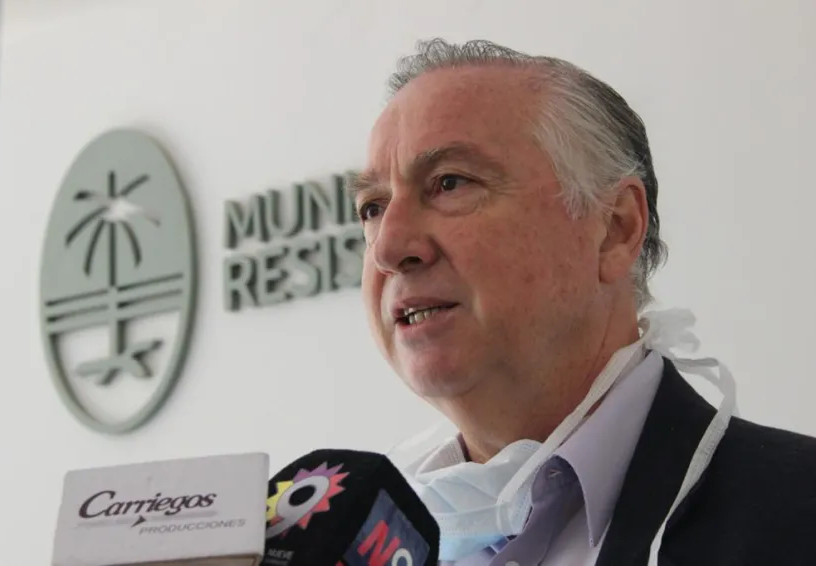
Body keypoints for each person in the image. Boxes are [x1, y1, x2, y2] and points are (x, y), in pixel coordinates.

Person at [350, 38, 816, 566]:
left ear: (615, 228)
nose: (388, 248)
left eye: (450, 183)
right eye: (372, 208)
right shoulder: (346, 541)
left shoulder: (799, 514)